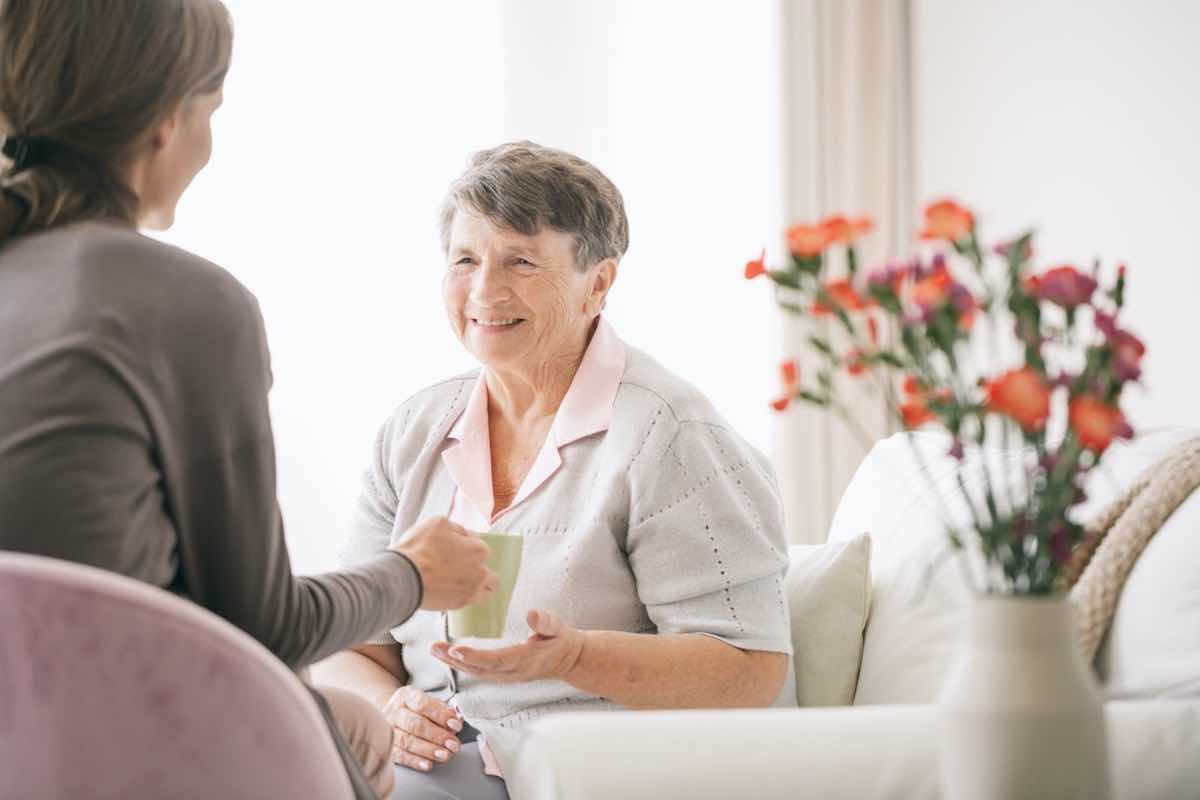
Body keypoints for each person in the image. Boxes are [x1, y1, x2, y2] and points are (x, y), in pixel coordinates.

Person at [0, 3, 495, 798]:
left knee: (355, 721)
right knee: (349, 728)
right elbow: (263, 628)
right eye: (214, 112)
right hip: (114, 750)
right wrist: (412, 574)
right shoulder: (186, 302)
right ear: (169, 120)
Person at [316, 141, 796, 800]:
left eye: (520, 261)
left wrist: (574, 658)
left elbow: (750, 670)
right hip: (432, 764)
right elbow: (351, 646)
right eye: (464, 260)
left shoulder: (671, 435)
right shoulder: (413, 431)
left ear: (598, 283)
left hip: (584, 770)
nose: (484, 291)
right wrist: (390, 708)